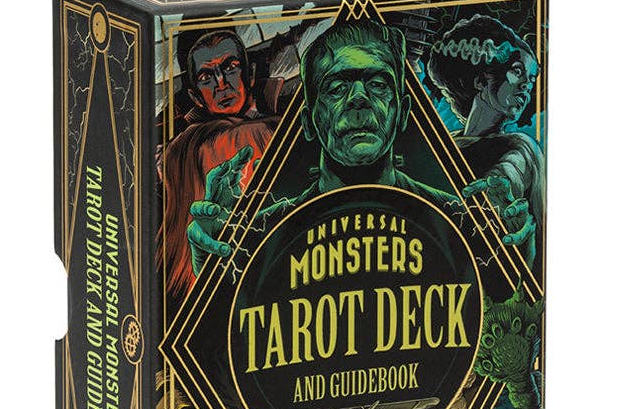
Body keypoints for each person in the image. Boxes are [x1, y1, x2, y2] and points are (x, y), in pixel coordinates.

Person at [185, 18, 461, 274]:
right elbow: (224, 288)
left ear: (402, 112)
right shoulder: (263, 235)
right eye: (337, 88)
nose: (359, 99)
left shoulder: (457, 221)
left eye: (378, 84)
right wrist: (211, 262)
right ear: (308, 122)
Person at [160, 30, 278, 301]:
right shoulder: (187, 147)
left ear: (249, 74)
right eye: (206, 77)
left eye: (230, 68)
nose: (221, 84)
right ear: (195, 96)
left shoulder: (279, 122)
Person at [425, 14, 544, 272]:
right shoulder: (445, 143)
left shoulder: (519, 146)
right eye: (518, 71)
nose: (527, 85)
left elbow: (511, 170)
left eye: (532, 79)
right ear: (481, 81)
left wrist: (499, 190)